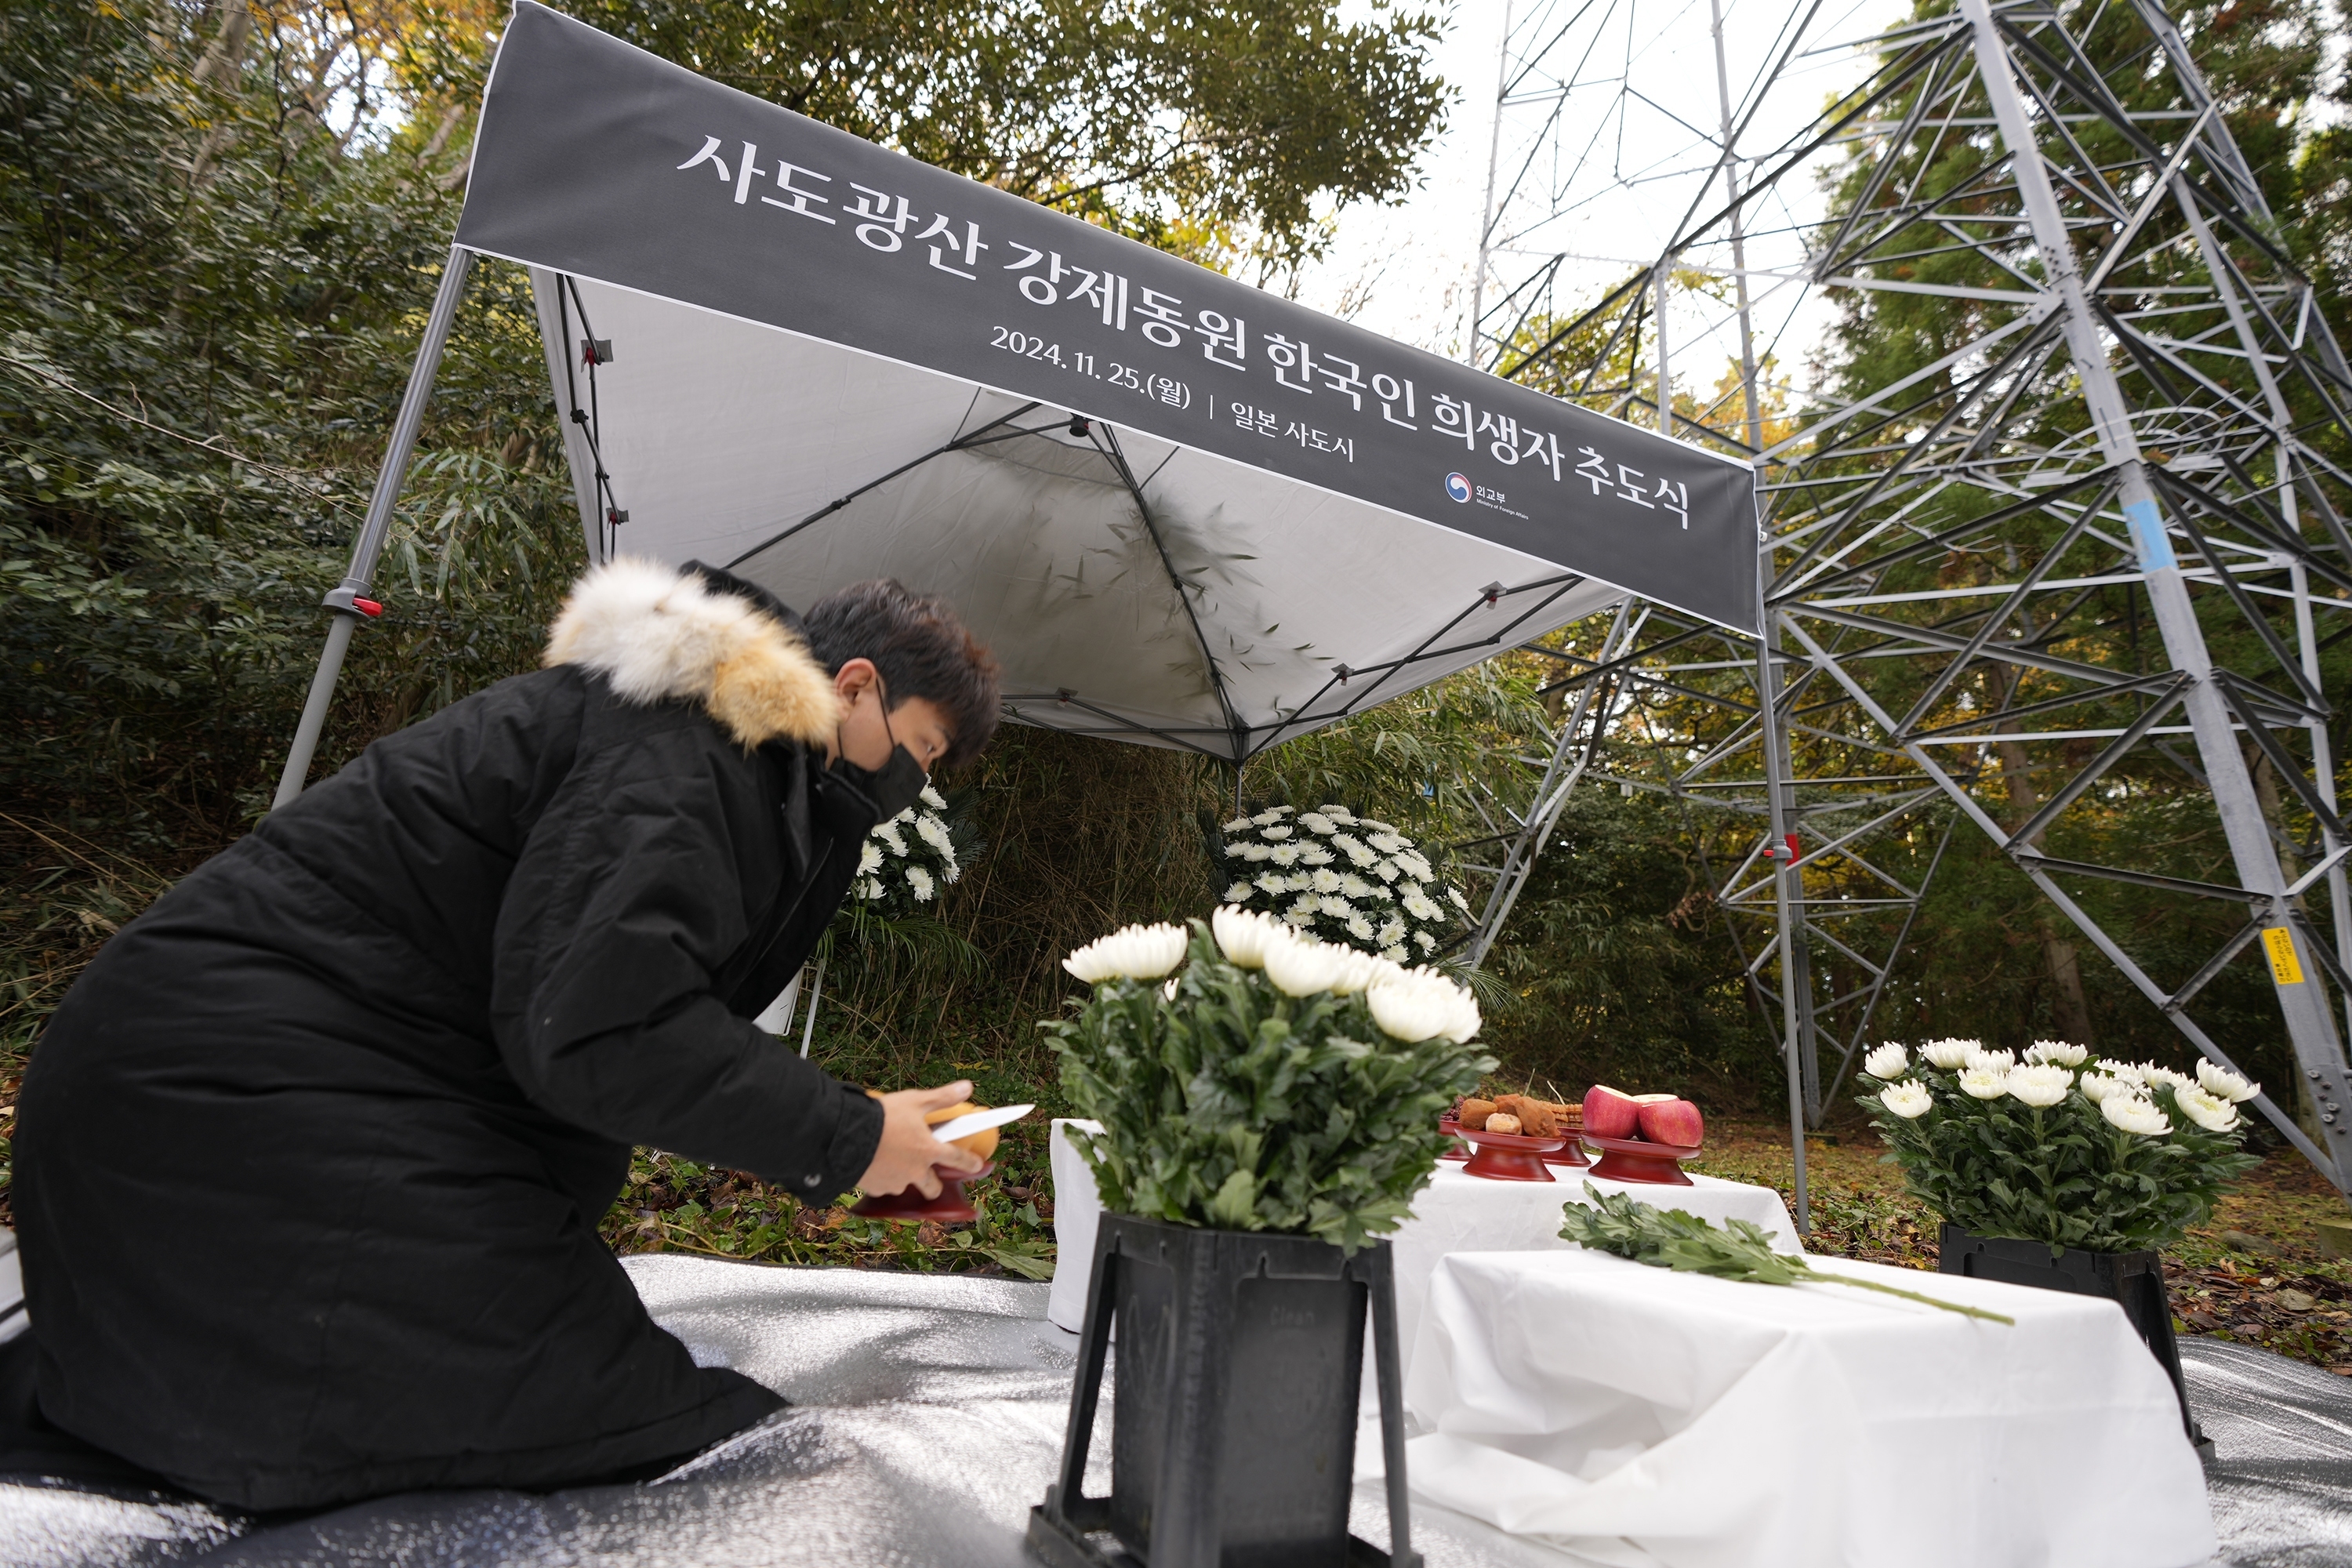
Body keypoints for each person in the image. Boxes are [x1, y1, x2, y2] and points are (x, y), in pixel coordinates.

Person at [7, 557, 999, 1510]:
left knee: (601, 1388)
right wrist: (852, 1135)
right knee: (661, 1429)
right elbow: (601, 1025)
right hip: (227, 1108)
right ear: (858, 683)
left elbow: (593, 1009)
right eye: (925, 748)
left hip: (253, 1097)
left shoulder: (733, 758)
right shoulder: (687, 748)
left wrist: (852, 1150)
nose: (918, 780)